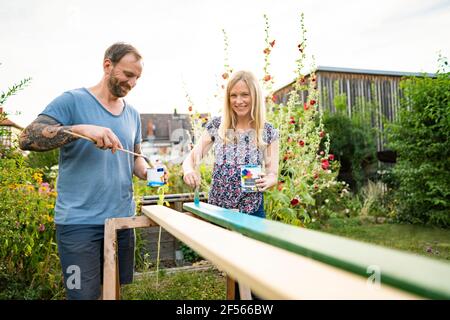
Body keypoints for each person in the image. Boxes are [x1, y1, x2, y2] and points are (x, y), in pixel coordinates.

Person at [19, 42, 165, 300]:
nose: (132, 84)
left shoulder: (132, 114)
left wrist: (149, 173)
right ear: (107, 65)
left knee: (112, 293)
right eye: (128, 75)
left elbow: (136, 160)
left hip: (121, 221)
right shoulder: (72, 101)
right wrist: (81, 129)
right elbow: (27, 138)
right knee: (82, 296)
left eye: (137, 78)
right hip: (79, 225)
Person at [183, 70, 279, 218]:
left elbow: (273, 173)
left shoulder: (268, 131)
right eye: (233, 95)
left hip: (252, 211)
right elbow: (190, 159)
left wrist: (269, 179)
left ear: (255, 96)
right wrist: (188, 171)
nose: (238, 101)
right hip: (217, 211)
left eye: (245, 95)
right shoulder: (217, 126)